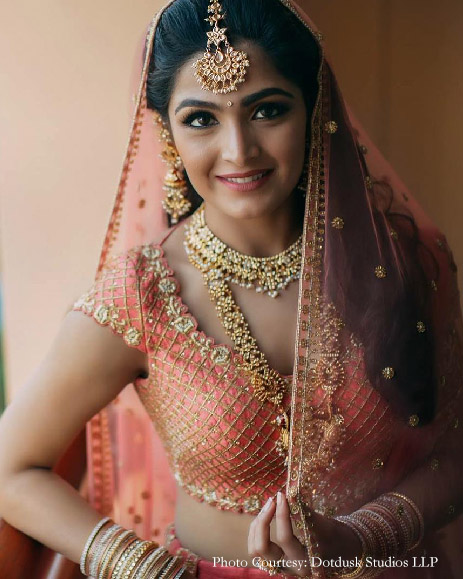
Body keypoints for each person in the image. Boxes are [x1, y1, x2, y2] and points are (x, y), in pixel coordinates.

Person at [0, 0, 462, 577]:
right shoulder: (144, 295)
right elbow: (10, 467)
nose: (239, 151)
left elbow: (453, 448)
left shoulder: (402, 263)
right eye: (200, 119)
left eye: (267, 110)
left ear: (316, 112)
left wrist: (360, 537)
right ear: (167, 132)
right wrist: (139, 565)